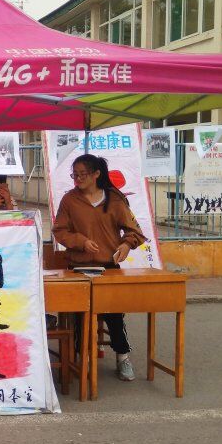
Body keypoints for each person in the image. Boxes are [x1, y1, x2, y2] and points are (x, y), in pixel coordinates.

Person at [52, 154, 147, 382]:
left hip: (108, 267)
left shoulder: (114, 199)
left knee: (114, 314)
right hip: (78, 267)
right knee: (79, 315)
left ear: (96, 174)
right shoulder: (69, 200)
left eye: (82, 174)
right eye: (74, 175)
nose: (78, 179)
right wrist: (81, 241)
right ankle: (82, 356)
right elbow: (60, 231)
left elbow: (135, 231)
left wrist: (126, 244)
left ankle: (123, 357)